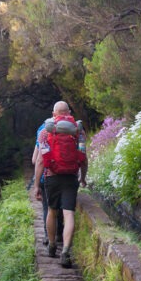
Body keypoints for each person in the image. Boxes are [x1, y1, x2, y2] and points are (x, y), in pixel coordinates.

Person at [31, 101, 88, 268]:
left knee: (52, 211)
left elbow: (40, 161)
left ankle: (52, 245)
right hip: (71, 177)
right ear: (69, 112)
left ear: (54, 113)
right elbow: (83, 159)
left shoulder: (45, 131)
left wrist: (36, 185)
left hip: (52, 177)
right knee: (68, 213)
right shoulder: (79, 131)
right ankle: (65, 251)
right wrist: (82, 178)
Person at [31, 116, 63, 246]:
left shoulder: (43, 130)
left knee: (48, 208)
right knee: (62, 206)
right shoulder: (72, 129)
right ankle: (60, 233)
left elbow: (35, 160)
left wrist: (36, 184)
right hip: (66, 175)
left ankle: (48, 236)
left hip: (47, 177)